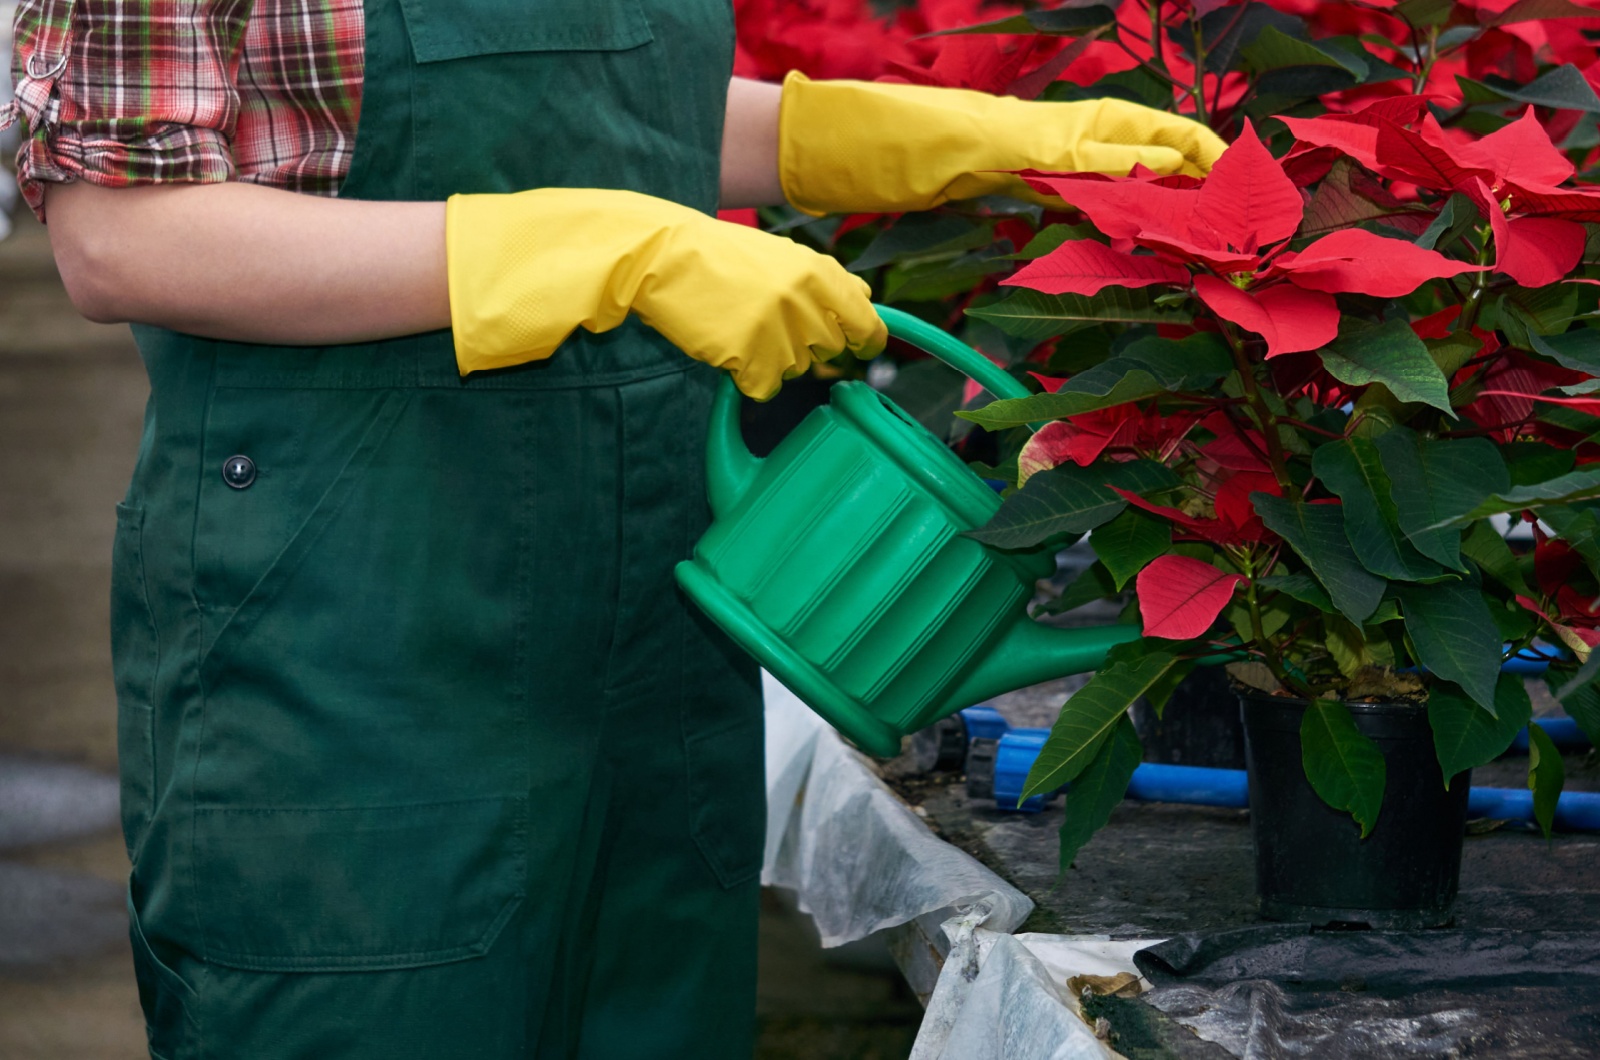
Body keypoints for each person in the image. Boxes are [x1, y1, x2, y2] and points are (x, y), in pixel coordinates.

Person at [4, 2, 1223, 1057]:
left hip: (650, 635)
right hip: (354, 631)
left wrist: (905, 142)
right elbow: (122, 235)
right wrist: (607, 249)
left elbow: (605, 109)